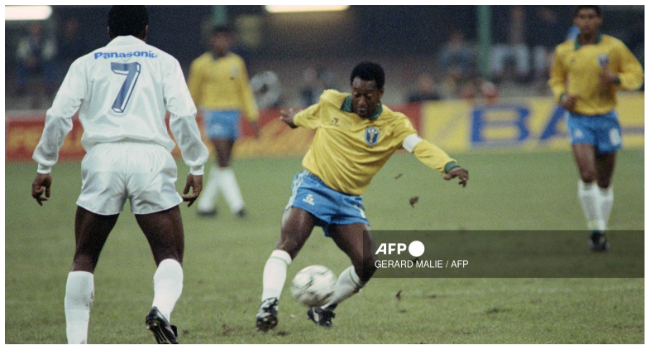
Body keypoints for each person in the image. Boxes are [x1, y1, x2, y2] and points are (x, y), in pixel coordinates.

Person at [30, 6, 209, 343]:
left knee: (84, 255)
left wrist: (44, 165)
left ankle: (77, 342)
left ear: (109, 31)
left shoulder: (85, 64)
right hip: (150, 158)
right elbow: (183, 114)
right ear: (145, 30)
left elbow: (58, 115)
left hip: (102, 159)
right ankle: (161, 310)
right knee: (169, 255)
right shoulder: (164, 61)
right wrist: (196, 165)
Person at [255, 62, 469, 330]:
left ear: (380, 92)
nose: (361, 101)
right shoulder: (332, 101)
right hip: (314, 186)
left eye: (368, 95)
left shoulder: (393, 124)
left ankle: (324, 308)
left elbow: (419, 146)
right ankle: (268, 306)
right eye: (356, 93)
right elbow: (313, 114)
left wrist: (449, 165)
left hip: (348, 202)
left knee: (368, 264)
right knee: (289, 242)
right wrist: (295, 120)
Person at [548, 5, 643, 251]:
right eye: (582, 17)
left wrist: (617, 79)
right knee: (587, 174)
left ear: (599, 20)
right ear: (575, 21)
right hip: (579, 118)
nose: (587, 21)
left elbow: (636, 74)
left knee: (604, 181)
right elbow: (556, 80)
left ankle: (600, 230)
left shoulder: (614, 47)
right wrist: (561, 97)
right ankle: (596, 230)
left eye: (591, 16)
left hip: (607, 117)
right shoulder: (564, 50)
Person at [188, 25, 260, 218]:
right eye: (217, 38)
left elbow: (244, 90)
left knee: (224, 161)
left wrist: (252, 117)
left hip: (233, 114)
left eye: (225, 38)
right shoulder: (200, 64)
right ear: (211, 41)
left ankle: (205, 205)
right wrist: (187, 116)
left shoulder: (236, 63)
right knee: (222, 159)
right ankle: (238, 206)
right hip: (212, 113)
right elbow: (193, 93)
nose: (221, 42)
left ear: (230, 40)